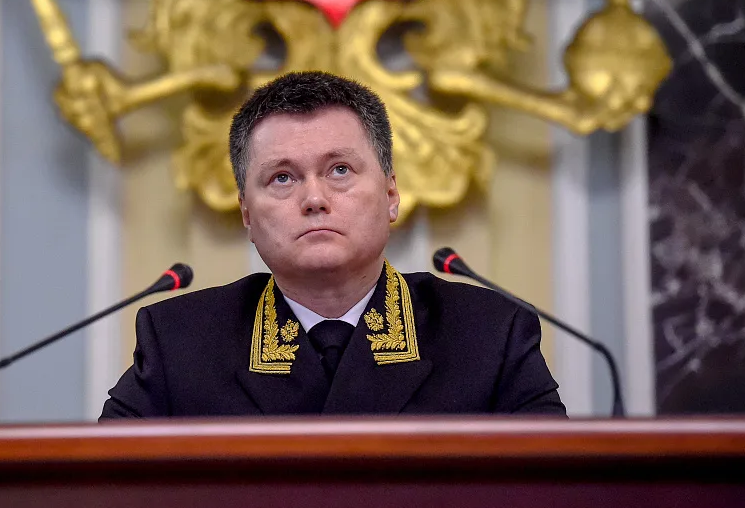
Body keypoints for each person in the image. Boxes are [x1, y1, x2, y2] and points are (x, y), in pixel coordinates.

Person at [101, 71, 566, 418]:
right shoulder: (179, 344)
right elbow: (104, 491)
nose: (314, 199)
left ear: (390, 194)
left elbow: (555, 493)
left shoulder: (490, 335)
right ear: (247, 214)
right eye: (282, 178)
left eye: (339, 170)